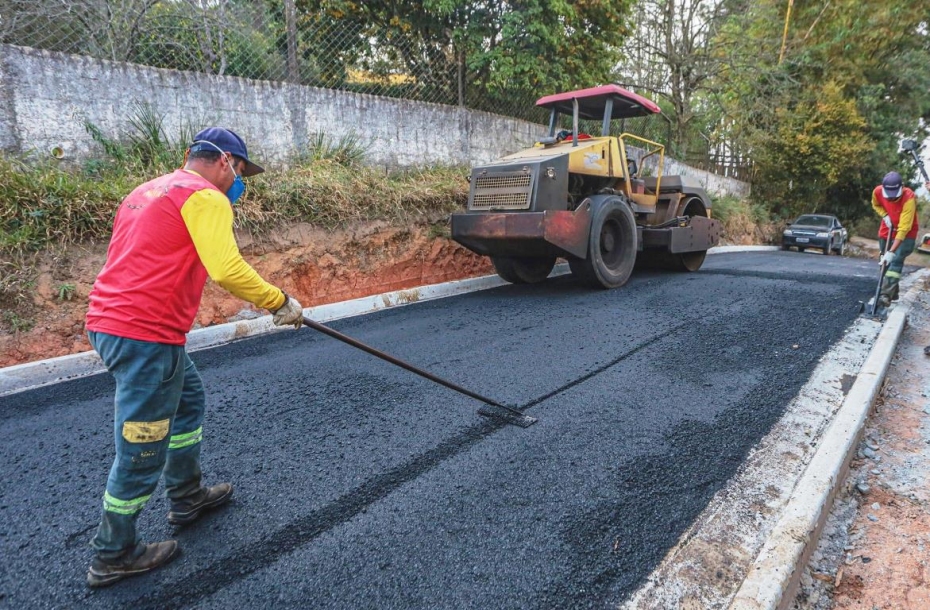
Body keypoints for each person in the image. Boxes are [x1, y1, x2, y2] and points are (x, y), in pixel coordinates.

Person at [83, 127, 304, 587]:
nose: (240, 184)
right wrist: (278, 302)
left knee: (187, 401)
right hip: (145, 334)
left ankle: (187, 496)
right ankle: (113, 552)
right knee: (142, 441)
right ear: (225, 161)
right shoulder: (205, 197)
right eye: (241, 172)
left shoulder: (146, 191)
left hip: (112, 322)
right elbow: (226, 268)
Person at [871, 171, 920, 307]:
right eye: (889, 197)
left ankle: (885, 295)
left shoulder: (909, 198)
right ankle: (893, 291)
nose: (892, 199)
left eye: (895, 197)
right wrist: (885, 215)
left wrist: (892, 251)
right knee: (884, 261)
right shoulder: (878, 192)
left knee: (896, 260)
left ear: (902, 187)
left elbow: (904, 228)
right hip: (887, 230)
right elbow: (876, 204)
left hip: (907, 233)